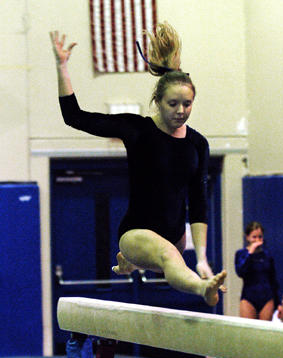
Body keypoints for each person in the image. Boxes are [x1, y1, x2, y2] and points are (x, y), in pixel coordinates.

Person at [50, 24, 226, 306]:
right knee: (168, 257)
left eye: (187, 104)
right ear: (157, 101)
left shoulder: (198, 144)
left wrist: (202, 257)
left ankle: (129, 263)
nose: (181, 111)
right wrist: (62, 68)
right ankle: (200, 288)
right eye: (173, 104)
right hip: (137, 233)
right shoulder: (137, 130)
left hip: (176, 238)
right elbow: (75, 117)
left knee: (170, 252)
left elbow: (199, 202)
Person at [235, 221, 279, 358]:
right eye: (254, 237)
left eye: (260, 236)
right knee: (248, 336)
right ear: (247, 237)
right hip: (248, 298)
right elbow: (240, 271)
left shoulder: (267, 255)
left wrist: (278, 303)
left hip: (266, 297)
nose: (258, 239)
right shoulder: (241, 254)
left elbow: (273, 279)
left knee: (261, 338)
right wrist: (250, 252)